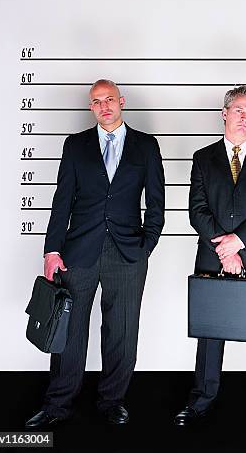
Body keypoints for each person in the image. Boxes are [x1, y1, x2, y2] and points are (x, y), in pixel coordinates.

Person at [26, 79, 165, 427]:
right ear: (91, 107)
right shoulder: (76, 146)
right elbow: (62, 202)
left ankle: (112, 400)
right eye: (96, 101)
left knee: (121, 331)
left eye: (109, 99)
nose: (104, 106)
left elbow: (157, 206)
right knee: (68, 330)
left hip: (127, 254)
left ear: (122, 101)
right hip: (79, 252)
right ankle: (57, 404)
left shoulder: (146, 146)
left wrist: (144, 247)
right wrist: (52, 250)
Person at [174, 85, 246, 428]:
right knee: (211, 332)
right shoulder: (203, 158)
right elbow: (197, 210)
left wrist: (237, 243)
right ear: (224, 114)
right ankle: (200, 400)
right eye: (238, 110)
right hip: (213, 258)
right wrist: (222, 249)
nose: (244, 117)